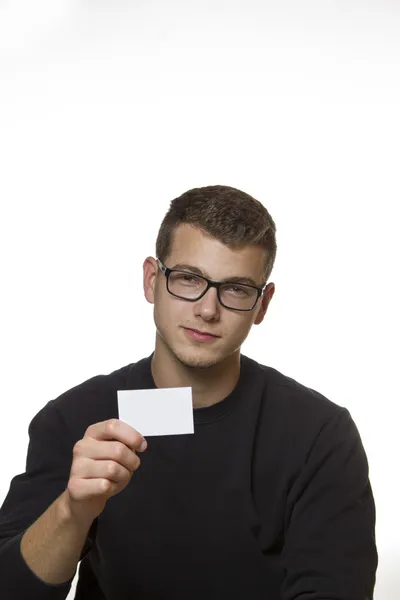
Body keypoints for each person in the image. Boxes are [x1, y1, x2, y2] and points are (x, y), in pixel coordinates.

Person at [0, 185, 377, 599]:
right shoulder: (75, 417)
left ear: (262, 305)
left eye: (235, 288)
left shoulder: (320, 435)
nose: (207, 309)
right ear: (151, 280)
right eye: (188, 278)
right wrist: (72, 512)